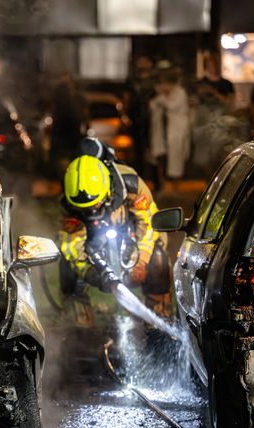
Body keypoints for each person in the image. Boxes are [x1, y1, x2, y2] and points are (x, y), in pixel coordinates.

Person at [58, 138, 172, 320]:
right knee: (67, 266)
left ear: (107, 190)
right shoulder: (69, 200)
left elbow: (148, 223)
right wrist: (90, 273)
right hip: (93, 242)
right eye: (86, 209)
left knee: (158, 260)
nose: (92, 212)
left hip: (132, 233)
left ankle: (159, 319)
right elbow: (71, 243)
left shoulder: (132, 185)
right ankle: (78, 325)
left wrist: (141, 262)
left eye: (96, 205)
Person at [149, 67, 190, 190]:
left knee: (176, 156)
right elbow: (152, 105)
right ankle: (165, 184)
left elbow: (172, 105)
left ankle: (175, 185)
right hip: (165, 130)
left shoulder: (180, 92)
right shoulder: (167, 94)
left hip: (177, 129)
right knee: (164, 156)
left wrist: (162, 98)